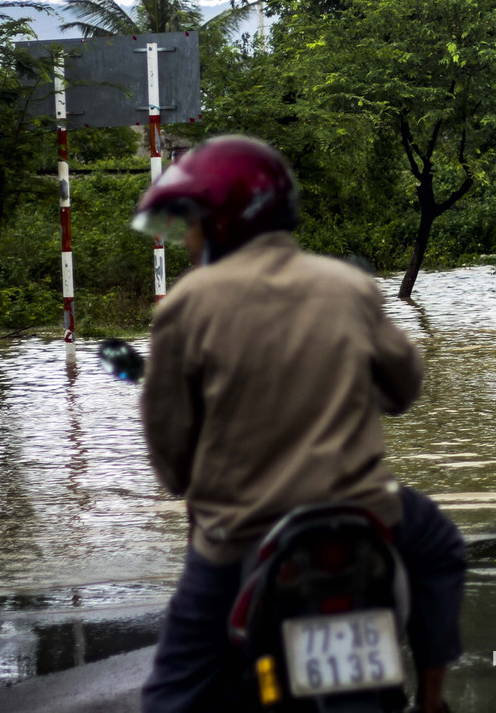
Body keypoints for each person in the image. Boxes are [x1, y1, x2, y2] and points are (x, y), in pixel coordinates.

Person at [132, 135, 464, 713]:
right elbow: (405, 389)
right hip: (365, 512)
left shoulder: (187, 306)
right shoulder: (348, 286)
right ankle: (432, 699)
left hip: (241, 533)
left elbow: (171, 463)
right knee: (438, 547)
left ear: (224, 223)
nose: (187, 241)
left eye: (192, 225)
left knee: (171, 696)